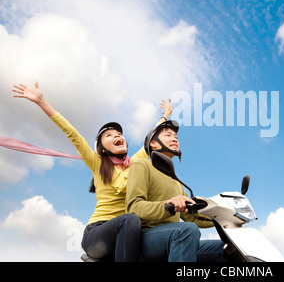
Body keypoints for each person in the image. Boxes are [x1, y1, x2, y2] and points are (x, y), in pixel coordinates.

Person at [12, 81, 172, 262]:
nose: (117, 136)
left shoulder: (135, 164)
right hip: (97, 234)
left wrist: (165, 117)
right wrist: (42, 102)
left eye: (119, 134)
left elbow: (149, 140)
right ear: (102, 149)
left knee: (139, 226)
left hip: (127, 234)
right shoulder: (97, 163)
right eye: (109, 135)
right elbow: (72, 133)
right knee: (130, 219)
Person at [125, 120, 226, 262]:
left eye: (176, 137)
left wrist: (222, 214)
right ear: (153, 144)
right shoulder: (142, 165)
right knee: (187, 230)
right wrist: (167, 205)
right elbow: (134, 207)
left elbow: (191, 217)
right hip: (146, 240)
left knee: (229, 249)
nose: (174, 139)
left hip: (177, 238)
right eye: (168, 135)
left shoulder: (176, 181)